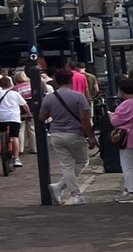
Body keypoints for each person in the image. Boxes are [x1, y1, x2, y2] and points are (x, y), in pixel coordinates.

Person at [39, 70, 96, 205]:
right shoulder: (79, 97)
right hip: (74, 133)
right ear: (71, 80)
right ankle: (74, 194)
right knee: (82, 162)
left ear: (56, 81)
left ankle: (60, 187)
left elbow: (42, 117)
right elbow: (85, 118)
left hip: (56, 134)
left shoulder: (49, 97)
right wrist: (91, 136)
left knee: (67, 165)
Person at [0, 75, 31, 168]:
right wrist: (28, 113)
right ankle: (17, 158)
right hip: (14, 117)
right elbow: (25, 105)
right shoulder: (14, 94)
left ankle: (3, 147)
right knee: (15, 137)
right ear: (10, 84)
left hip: (1, 117)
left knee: (2, 133)